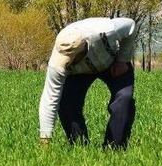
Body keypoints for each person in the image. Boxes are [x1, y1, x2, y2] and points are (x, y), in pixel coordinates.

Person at [38, 17, 137, 149]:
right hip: (78, 73)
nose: (68, 61)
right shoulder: (57, 64)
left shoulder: (107, 31)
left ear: (83, 48)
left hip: (112, 63)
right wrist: (45, 140)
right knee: (67, 104)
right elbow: (49, 99)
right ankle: (79, 147)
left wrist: (122, 60)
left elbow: (130, 25)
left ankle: (114, 149)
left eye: (72, 57)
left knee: (124, 100)